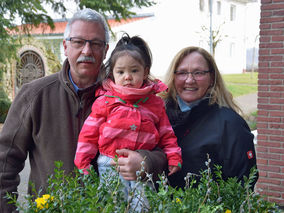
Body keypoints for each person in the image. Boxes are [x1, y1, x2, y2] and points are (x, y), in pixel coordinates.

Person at [0, 9, 167, 212]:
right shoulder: (34, 96)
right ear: (65, 46)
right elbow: (5, 162)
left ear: (105, 51)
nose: (87, 51)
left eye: (95, 44)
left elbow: (165, 149)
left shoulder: (138, 98)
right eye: (78, 42)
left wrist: (146, 162)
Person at [74, 34, 182, 210]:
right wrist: (83, 163)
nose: (127, 77)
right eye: (121, 72)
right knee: (113, 204)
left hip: (142, 164)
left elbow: (167, 134)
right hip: (110, 162)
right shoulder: (106, 101)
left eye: (134, 71)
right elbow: (88, 135)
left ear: (145, 72)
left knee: (143, 205)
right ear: (112, 74)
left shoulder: (154, 103)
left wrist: (173, 157)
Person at [162, 46, 258, 189]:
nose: (189, 80)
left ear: (212, 77)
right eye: (182, 73)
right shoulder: (158, 117)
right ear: (173, 77)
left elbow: (243, 183)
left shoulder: (230, 124)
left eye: (198, 73)